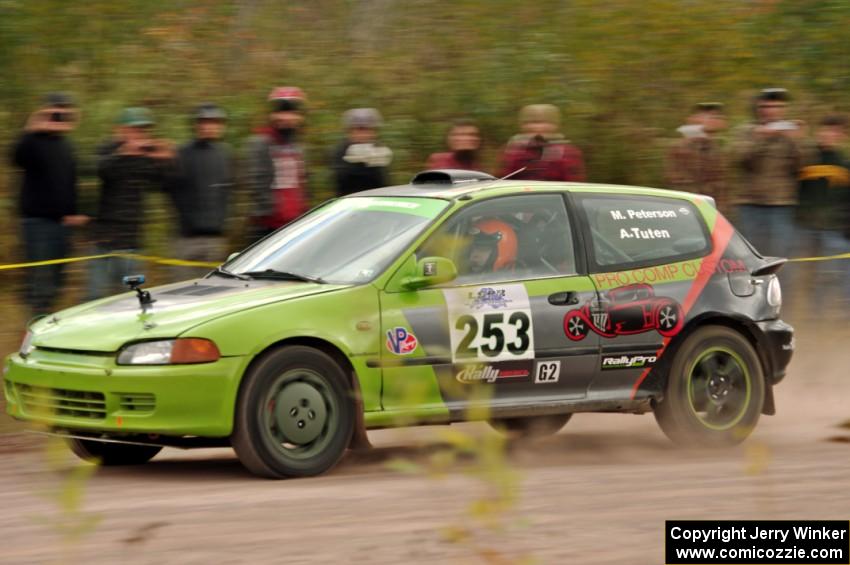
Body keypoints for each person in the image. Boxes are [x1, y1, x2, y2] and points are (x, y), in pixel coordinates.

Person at [10, 93, 88, 318]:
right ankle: (33, 333)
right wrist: (32, 128)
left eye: (65, 109)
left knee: (56, 282)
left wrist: (74, 214)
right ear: (45, 110)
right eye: (55, 109)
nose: (59, 114)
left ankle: (44, 325)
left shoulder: (67, 145)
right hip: (37, 224)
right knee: (40, 283)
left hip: (63, 225)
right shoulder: (33, 141)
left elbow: (70, 181)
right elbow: (15, 158)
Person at [88, 107, 176, 299]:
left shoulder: (146, 157)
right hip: (104, 242)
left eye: (144, 130)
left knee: (131, 300)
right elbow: (101, 171)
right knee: (95, 298)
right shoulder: (108, 150)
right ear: (120, 130)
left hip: (133, 242)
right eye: (135, 129)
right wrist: (125, 152)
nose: (141, 134)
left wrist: (166, 160)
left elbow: (163, 185)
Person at [731, 88, 808, 258]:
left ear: (784, 109)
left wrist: (796, 140)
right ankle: (750, 285)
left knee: (779, 254)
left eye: (777, 106)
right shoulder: (747, 131)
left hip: (781, 205)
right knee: (749, 254)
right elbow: (738, 159)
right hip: (750, 204)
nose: (771, 111)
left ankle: (780, 285)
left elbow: (802, 167)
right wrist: (760, 139)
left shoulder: (791, 132)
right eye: (766, 106)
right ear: (759, 109)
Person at [170, 103, 234, 279]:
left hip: (216, 238)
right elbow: (167, 188)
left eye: (215, 122)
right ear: (196, 125)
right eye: (205, 122)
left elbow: (227, 193)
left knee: (213, 291)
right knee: (182, 291)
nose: (209, 127)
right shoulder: (181, 154)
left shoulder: (224, 155)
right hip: (187, 239)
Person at [795, 114, 850, 314]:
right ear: (819, 132)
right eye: (825, 130)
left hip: (835, 229)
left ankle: (843, 315)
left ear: (842, 136)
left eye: (835, 132)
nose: (828, 135)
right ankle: (813, 313)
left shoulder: (844, 165)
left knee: (835, 273)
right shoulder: (806, 160)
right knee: (807, 273)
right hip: (805, 227)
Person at [244, 86, 308, 241]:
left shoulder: (298, 147)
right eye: (281, 111)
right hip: (268, 226)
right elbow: (256, 181)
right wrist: (268, 212)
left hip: (295, 223)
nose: (286, 117)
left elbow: (303, 182)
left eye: (291, 112)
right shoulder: (260, 142)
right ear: (272, 115)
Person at [664, 102, 729, 212]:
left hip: (714, 209)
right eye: (706, 115)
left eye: (716, 116)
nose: (713, 119)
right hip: (691, 209)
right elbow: (681, 183)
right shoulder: (683, 147)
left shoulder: (715, 145)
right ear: (692, 119)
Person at [499, 104, 585, 181]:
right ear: (523, 125)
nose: (538, 127)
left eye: (544, 122)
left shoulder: (567, 152)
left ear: (555, 125)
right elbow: (501, 179)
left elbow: (574, 183)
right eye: (532, 122)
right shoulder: (513, 150)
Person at [331, 108, 392, 196]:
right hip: (350, 201)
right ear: (350, 132)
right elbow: (340, 181)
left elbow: (384, 182)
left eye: (368, 130)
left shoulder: (379, 150)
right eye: (359, 130)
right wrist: (357, 162)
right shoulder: (341, 150)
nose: (364, 135)